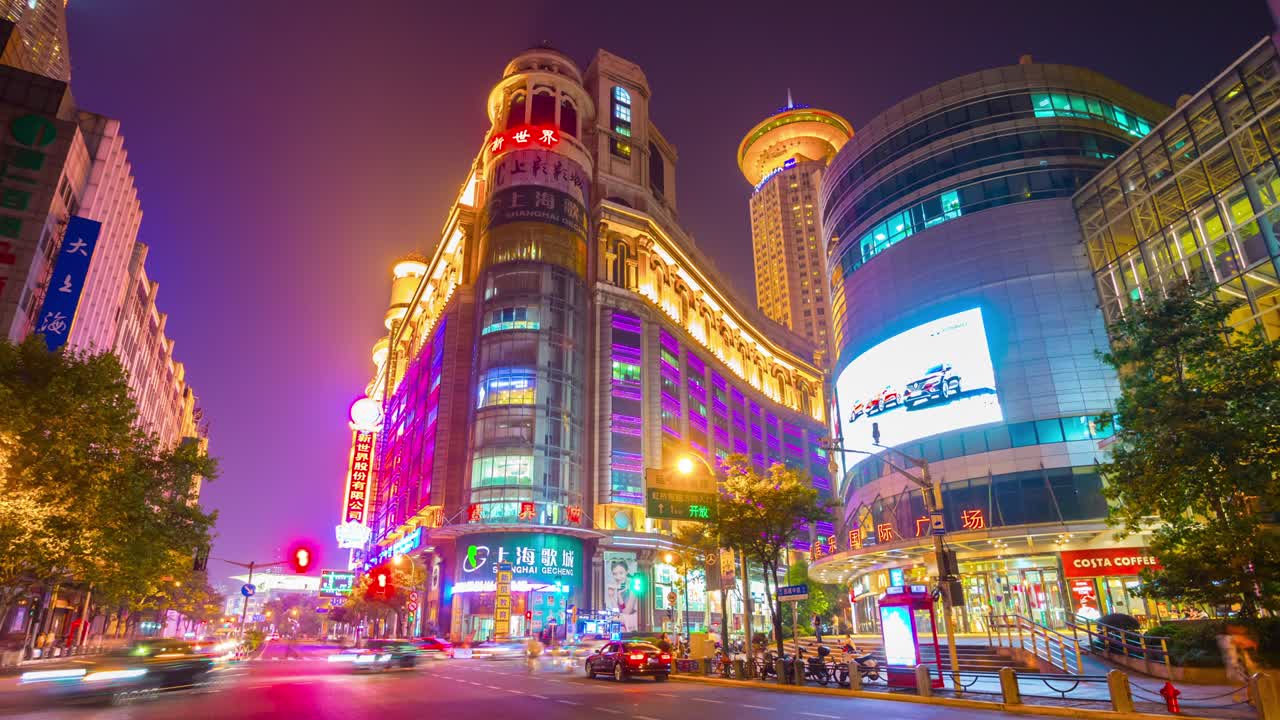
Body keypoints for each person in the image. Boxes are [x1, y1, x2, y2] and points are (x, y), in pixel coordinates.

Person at [1217, 624, 1259, 702]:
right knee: (1250, 680)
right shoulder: (1230, 638)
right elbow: (1246, 643)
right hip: (1236, 665)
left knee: (1238, 682)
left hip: (1230, 665)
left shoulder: (1221, 638)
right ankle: (1250, 699)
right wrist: (1252, 643)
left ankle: (1239, 698)